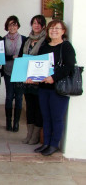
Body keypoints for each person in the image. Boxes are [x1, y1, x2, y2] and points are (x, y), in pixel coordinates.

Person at [34, 20, 76, 156]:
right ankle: (46, 143)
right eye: (51, 28)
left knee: (56, 117)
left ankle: (54, 144)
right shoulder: (45, 46)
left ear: (63, 31)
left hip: (58, 88)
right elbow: (38, 64)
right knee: (46, 116)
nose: (54, 30)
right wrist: (32, 77)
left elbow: (69, 67)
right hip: (43, 88)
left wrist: (54, 77)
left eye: (57, 28)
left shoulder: (66, 46)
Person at [21, 15, 47, 145]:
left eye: (39, 23)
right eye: (34, 23)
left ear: (43, 26)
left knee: (38, 108)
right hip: (27, 81)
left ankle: (35, 136)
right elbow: (22, 57)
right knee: (29, 108)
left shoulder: (45, 40)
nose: (36, 25)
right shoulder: (27, 40)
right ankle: (29, 134)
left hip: (39, 81)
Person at [3, 15, 26, 132]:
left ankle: (16, 123)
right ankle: (8, 121)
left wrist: (19, 57)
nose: (12, 27)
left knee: (19, 98)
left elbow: (26, 55)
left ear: (18, 26)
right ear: (7, 26)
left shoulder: (24, 39)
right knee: (9, 97)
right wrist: (12, 56)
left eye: (15, 24)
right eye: (10, 24)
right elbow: (1, 56)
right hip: (8, 71)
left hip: (20, 72)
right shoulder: (3, 39)